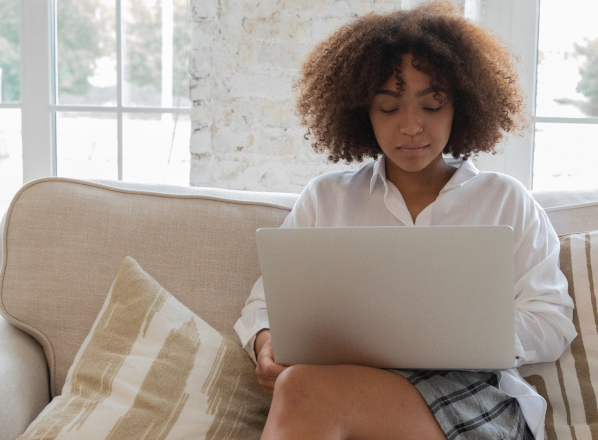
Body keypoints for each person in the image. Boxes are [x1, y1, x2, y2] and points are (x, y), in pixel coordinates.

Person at [231, 3, 576, 440]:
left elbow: (552, 320)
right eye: (389, 108)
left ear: (462, 106)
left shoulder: (504, 200)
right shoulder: (327, 199)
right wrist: (266, 343)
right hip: (347, 390)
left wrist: (468, 332)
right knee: (299, 384)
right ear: (362, 113)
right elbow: (265, 305)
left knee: (302, 388)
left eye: (432, 105)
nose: (412, 126)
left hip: (473, 397)